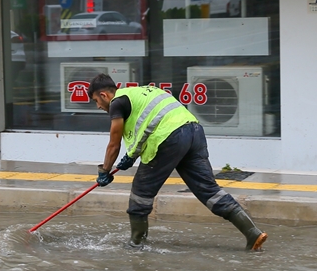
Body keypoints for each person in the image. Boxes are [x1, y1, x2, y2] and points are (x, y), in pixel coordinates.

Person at [89, 74, 268, 250]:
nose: (98, 106)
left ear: (104, 95)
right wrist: (132, 156)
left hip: (169, 138)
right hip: (194, 132)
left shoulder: (117, 103)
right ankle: (252, 233)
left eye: (96, 100)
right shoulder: (140, 93)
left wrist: (105, 170)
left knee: (141, 194)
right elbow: (147, 124)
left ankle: (136, 244)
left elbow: (114, 142)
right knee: (209, 191)